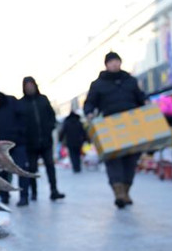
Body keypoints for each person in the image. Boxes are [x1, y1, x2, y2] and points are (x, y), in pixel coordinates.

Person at [84, 51, 146, 208]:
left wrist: (147, 102)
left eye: (116, 61)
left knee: (131, 159)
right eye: (111, 62)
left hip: (132, 124)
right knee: (113, 160)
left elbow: (140, 98)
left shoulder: (130, 80)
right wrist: (89, 112)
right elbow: (90, 102)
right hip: (110, 127)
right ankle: (119, 193)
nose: (114, 64)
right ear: (106, 65)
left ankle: (126, 191)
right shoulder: (98, 84)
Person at [0, 84, 30, 206]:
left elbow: (23, 119)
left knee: (21, 169)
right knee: (2, 171)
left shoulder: (11, 101)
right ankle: (4, 196)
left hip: (17, 144)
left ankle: (24, 197)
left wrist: (21, 134)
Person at [20, 77, 65, 201]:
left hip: (46, 141)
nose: (30, 88)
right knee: (32, 169)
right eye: (27, 86)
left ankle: (54, 190)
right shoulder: (21, 104)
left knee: (50, 166)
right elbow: (20, 123)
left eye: (31, 85)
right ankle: (33, 192)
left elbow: (51, 115)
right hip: (31, 144)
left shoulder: (43, 99)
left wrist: (50, 127)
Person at [59, 104, 88, 173]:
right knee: (77, 154)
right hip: (78, 141)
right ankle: (78, 167)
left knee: (72, 155)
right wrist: (85, 139)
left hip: (70, 141)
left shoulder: (67, 123)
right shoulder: (79, 122)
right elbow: (83, 132)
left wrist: (60, 139)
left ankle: (75, 167)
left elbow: (62, 132)